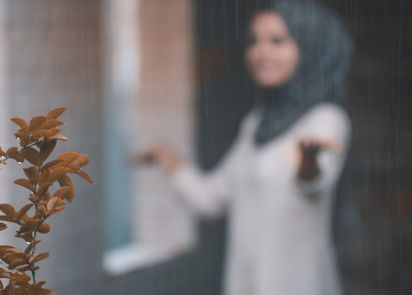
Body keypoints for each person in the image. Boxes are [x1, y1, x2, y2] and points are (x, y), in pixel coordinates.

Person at [133, 0, 352, 294]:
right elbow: (211, 197)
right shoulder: (256, 125)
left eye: (277, 41)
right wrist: (169, 160)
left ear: (311, 45)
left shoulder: (326, 119)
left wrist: (308, 163)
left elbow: (313, 183)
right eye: (254, 41)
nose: (261, 52)